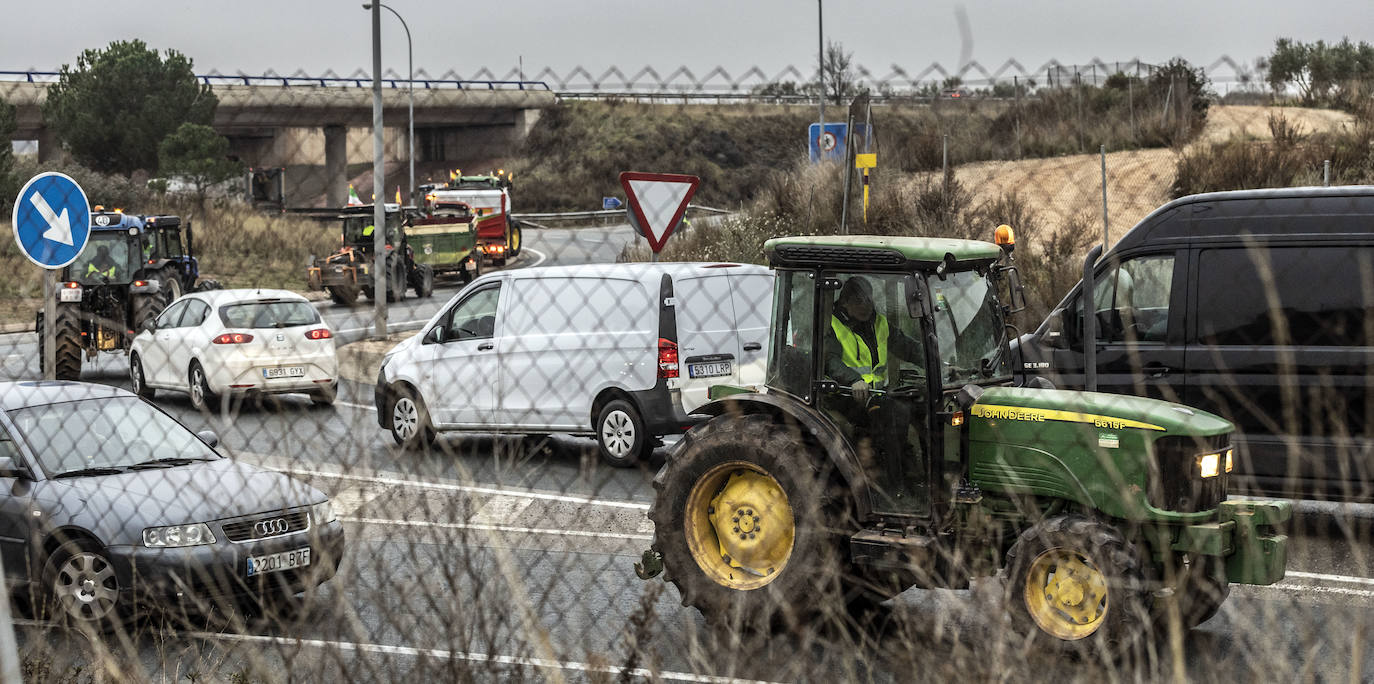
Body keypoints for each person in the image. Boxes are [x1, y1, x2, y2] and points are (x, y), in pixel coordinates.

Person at [824, 276, 927, 509]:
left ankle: (918, 479)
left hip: (877, 395)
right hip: (843, 397)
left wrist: (938, 365)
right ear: (845, 302)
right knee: (894, 414)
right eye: (858, 301)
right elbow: (829, 361)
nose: (865, 306)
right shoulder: (832, 327)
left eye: (868, 300)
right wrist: (854, 380)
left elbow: (908, 347)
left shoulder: (878, 323)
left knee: (919, 404)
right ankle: (895, 491)